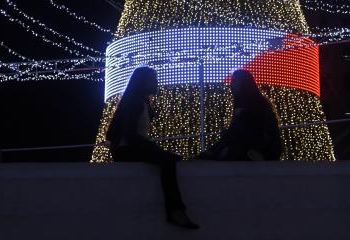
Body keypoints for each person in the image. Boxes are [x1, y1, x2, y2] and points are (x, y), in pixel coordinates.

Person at [106, 67, 199, 230]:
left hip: (128, 148)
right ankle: (175, 210)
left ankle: (175, 211)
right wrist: (156, 150)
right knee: (168, 161)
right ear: (143, 82)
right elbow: (131, 135)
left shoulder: (139, 101)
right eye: (153, 80)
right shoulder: (135, 102)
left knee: (168, 159)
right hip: (127, 150)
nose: (156, 83)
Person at [203, 69, 284, 161]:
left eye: (235, 81)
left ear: (244, 83)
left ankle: (211, 152)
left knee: (228, 152)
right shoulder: (247, 102)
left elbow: (253, 130)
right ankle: (212, 152)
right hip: (254, 146)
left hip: (262, 149)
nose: (232, 85)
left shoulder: (256, 103)